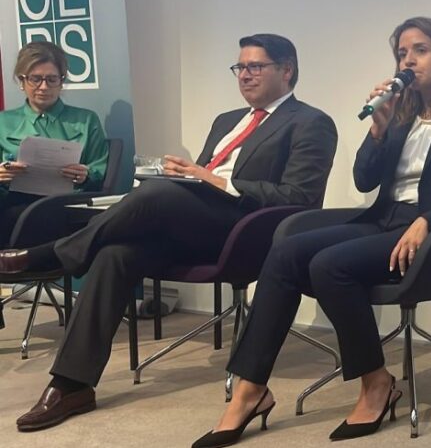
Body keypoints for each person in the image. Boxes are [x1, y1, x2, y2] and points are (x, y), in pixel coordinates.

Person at [192, 17, 431, 448]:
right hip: (384, 221)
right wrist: (378, 129)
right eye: (402, 53)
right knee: (284, 251)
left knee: (330, 265)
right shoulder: (401, 111)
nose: (408, 61)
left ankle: (376, 384)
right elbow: (364, 180)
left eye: (420, 50)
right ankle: (250, 389)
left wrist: (428, 220)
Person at [1, 33, 338, 431]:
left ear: (286, 70)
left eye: (255, 67)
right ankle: (71, 385)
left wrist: (212, 180)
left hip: (249, 232)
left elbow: (299, 197)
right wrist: (185, 176)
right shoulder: (227, 121)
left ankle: (51, 255)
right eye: (240, 67)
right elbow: (200, 184)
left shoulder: (310, 122)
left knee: (157, 194)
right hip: (197, 227)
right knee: (115, 253)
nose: (244, 75)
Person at [0, 41, 109, 248]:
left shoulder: (86, 120)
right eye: (35, 79)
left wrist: (85, 174)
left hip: (66, 206)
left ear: (61, 81)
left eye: (52, 79)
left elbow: (100, 169)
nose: (44, 87)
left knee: (39, 216)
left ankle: (20, 263)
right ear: (22, 80)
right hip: (12, 204)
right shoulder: (3, 122)